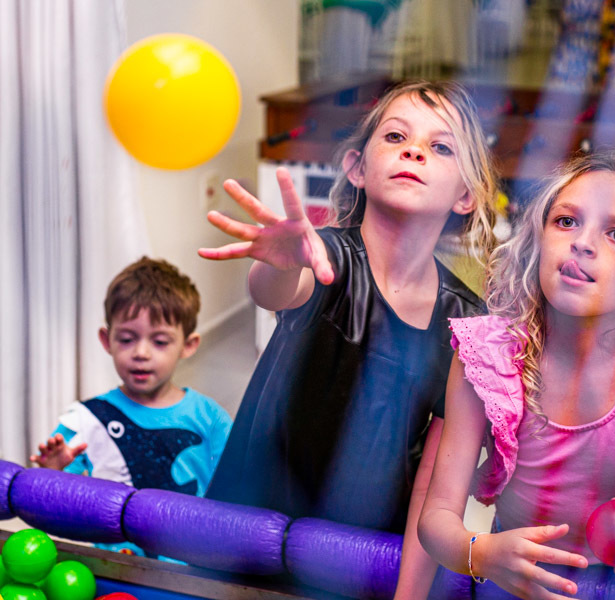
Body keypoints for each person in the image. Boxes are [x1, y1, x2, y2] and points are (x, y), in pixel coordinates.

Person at [198, 80, 499, 597]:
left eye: (440, 146)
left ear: (466, 195)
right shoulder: (329, 259)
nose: (414, 151)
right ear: (357, 168)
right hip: (252, 526)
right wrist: (282, 263)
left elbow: (435, 476)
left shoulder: (466, 321)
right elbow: (278, 291)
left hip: (363, 550)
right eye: (396, 136)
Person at [417, 147, 615, 599]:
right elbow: (436, 519)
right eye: (567, 221)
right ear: (538, 241)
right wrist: (482, 553)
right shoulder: (491, 358)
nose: (583, 242)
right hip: (517, 583)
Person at [31, 257, 232, 556]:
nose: (141, 353)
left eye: (160, 342)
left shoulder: (210, 418)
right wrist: (53, 473)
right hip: (115, 571)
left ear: (188, 345)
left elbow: (236, 496)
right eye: (126, 339)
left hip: (193, 574)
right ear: (106, 340)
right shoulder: (86, 420)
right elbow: (55, 508)